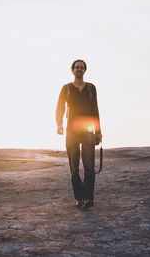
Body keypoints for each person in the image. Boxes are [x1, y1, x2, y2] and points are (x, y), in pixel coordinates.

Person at [56, 59, 102, 209]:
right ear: (72, 70)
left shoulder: (91, 88)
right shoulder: (66, 88)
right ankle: (79, 197)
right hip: (71, 131)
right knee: (74, 167)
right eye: (77, 67)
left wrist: (98, 132)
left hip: (88, 130)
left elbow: (95, 110)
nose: (79, 70)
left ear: (85, 70)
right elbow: (60, 109)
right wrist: (59, 125)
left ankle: (88, 198)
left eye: (81, 68)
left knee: (89, 166)